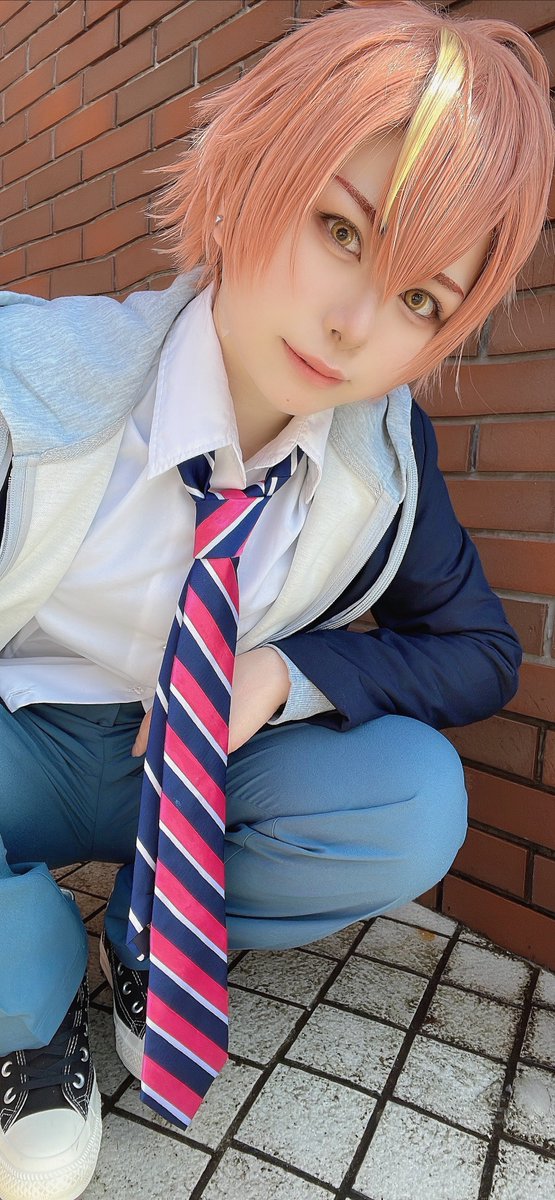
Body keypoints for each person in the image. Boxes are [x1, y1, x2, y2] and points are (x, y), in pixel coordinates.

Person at [0, 0, 552, 1195]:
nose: (355, 326)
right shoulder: (29, 385)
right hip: (20, 746)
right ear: (254, 171)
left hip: (205, 768)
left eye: (421, 300)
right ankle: (27, 1003)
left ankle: (153, 934)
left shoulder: (383, 458)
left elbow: (479, 649)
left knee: (414, 797)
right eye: (342, 230)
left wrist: (286, 673)